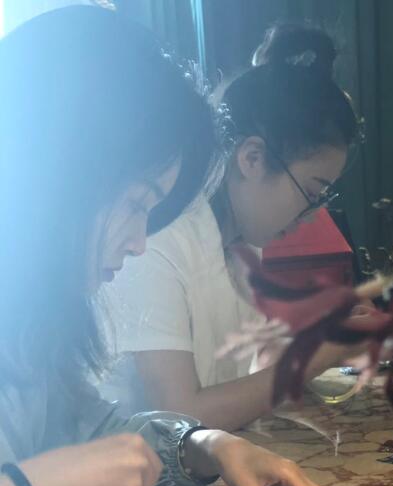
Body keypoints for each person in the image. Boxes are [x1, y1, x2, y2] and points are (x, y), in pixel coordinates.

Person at [0, 7, 328, 486]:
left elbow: (92, 435)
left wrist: (204, 444)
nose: (138, 241)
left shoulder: (27, 324)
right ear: (56, 174)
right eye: (133, 203)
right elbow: (56, 475)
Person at [103, 23, 364, 431]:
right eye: (312, 193)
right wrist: (321, 356)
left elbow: (245, 375)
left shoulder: (239, 243)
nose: (313, 214)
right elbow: (181, 419)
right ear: (252, 158)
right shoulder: (156, 238)